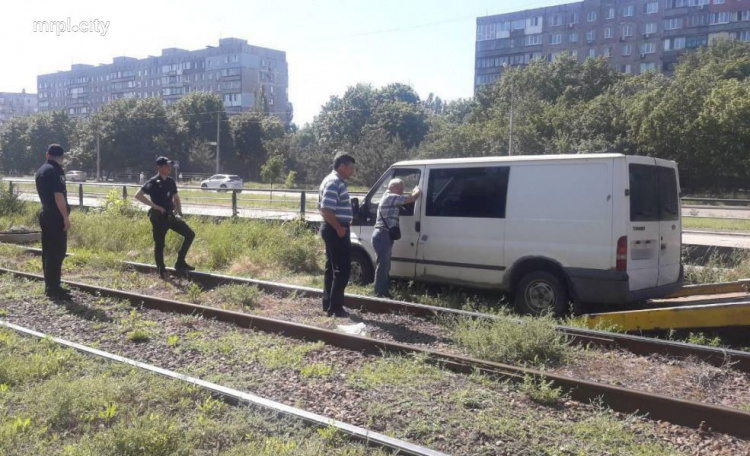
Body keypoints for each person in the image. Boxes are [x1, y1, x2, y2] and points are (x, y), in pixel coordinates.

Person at [135, 156, 195, 278]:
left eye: (169, 166)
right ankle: (161, 271)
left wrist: (180, 212)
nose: (169, 168)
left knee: (190, 234)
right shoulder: (153, 182)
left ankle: (180, 262)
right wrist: (155, 206)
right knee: (160, 244)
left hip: (170, 215)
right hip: (158, 217)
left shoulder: (170, 181)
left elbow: (176, 198)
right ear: (160, 167)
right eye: (166, 166)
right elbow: (138, 195)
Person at [318, 153, 355, 317]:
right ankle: (335, 308)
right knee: (342, 269)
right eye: (351, 168)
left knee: (331, 268)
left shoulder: (332, 180)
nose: (352, 171)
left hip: (333, 228)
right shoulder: (334, 181)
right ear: (342, 166)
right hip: (335, 230)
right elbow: (326, 208)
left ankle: (328, 304)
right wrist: (339, 227)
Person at [372, 179, 421, 298]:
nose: (402, 191)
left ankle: (383, 290)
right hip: (383, 234)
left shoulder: (388, 196)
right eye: (401, 189)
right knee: (383, 265)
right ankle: (380, 293)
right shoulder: (390, 197)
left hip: (383, 234)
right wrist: (417, 190)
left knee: (385, 264)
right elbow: (411, 199)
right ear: (393, 187)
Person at [35, 144, 71, 300]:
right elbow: (58, 196)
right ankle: (54, 288)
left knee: (48, 251)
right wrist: (65, 217)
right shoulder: (56, 171)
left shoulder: (41, 170)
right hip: (55, 216)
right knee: (57, 251)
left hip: (45, 212)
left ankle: (50, 285)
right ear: (62, 157)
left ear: (47, 154)